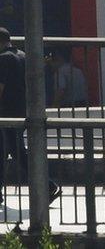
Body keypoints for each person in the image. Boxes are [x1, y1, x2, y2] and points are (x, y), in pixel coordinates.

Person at [0, 27, 61, 205]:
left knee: (16, 151)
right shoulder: (23, 55)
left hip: (6, 112)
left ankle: (48, 185)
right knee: (5, 151)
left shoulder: (3, 59)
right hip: (22, 111)